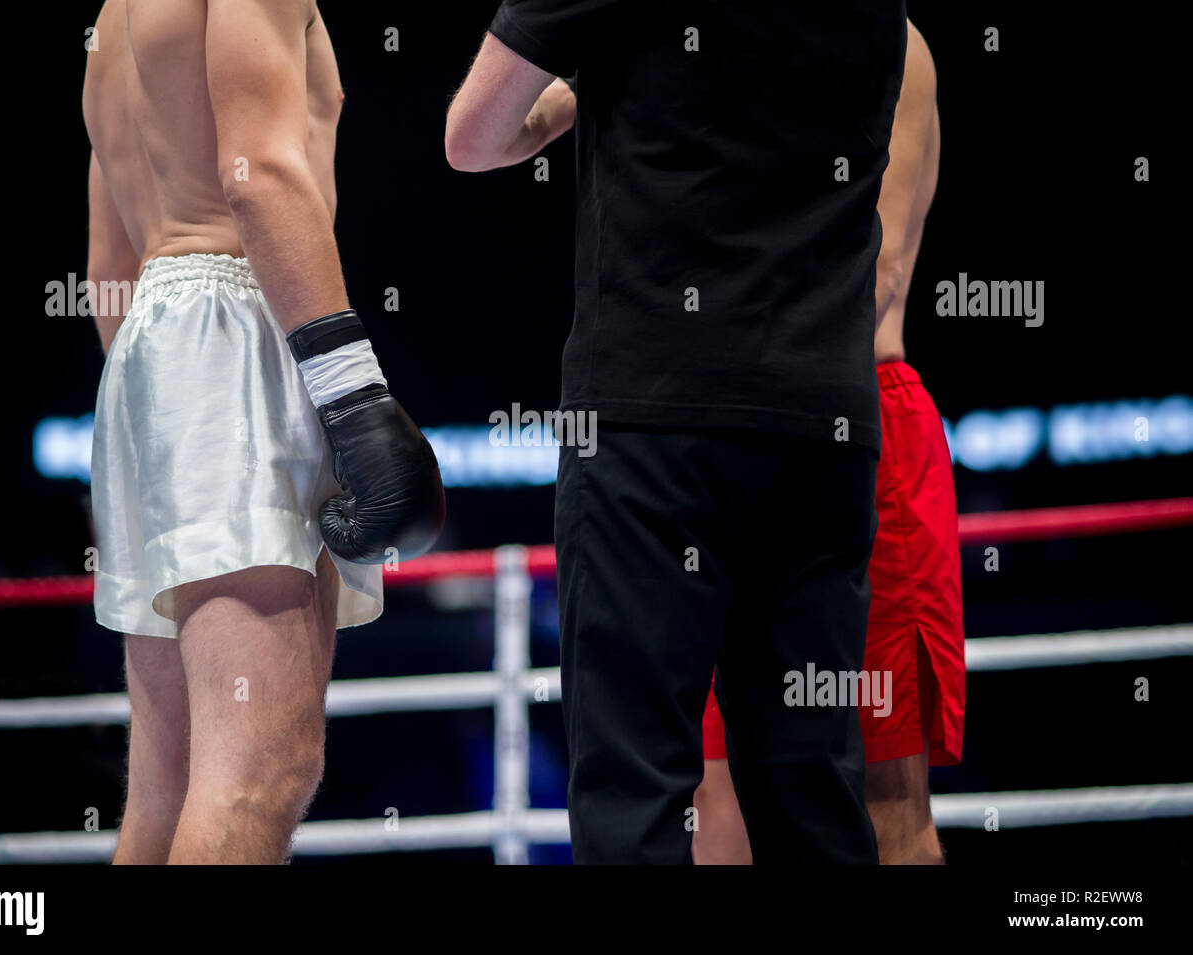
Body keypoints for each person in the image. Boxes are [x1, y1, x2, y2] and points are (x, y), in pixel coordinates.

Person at [447, 1, 906, 863]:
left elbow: (472, 137)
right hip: (823, 421)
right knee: (814, 790)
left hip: (652, 416)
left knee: (635, 792)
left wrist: (582, 84)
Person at [82, 0, 444, 864]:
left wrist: (165, 437)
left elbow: (107, 270)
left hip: (147, 352)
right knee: (257, 772)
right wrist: (353, 397)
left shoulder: (110, 23)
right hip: (238, 325)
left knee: (169, 785)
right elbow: (259, 176)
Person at [693, 20, 963, 866]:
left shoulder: (888, 40)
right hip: (729, 438)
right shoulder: (727, 45)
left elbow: (874, 272)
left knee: (883, 799)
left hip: (858, 422)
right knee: (717, 797)